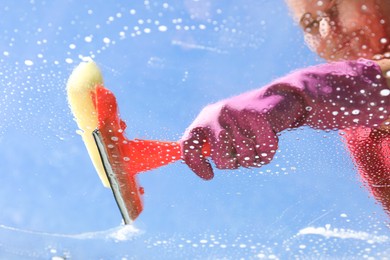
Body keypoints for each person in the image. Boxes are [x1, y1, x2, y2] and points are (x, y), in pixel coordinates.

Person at [180, 0, 390, 214]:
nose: (327, 32)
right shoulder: (358, 130)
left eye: (333, 8)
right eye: (311, 25)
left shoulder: (354, 106)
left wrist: (305, 94)